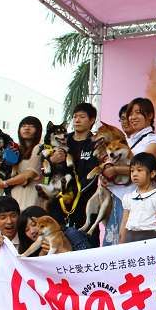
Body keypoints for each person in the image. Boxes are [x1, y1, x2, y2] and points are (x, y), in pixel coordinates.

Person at [104, 98, 156, 246]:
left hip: (138, 200)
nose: (132, 117)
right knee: (112, 244)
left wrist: (115, 170)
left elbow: (144, 166)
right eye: (130, 114)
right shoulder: (127, 140)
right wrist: (105, 174)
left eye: (138, 113)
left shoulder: (154, 139)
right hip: (116, 197)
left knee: (128, 244)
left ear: (150, 115)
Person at [47, 103, 100, 245]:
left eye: (82, 117)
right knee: (56, 244)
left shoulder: (96, 143)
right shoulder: (63, 140)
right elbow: (46, 169)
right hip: (59, 202)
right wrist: (52, 160)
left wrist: (76, 193)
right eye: (75, 117)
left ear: (92, 120)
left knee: (87, 245)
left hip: (86, 203)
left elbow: (93, 174)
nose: (77, 120)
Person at [120, 153, 156, 243]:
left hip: (150, 237)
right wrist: (121, 243)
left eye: (139, 170)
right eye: (132, 171)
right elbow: (124, 222)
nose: (134, 174)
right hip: (130, 237)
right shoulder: (128, 197)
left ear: (152, 173)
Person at [0, 116, 44, 211]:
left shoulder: (39, 148)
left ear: (38, 130)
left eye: (31, 126)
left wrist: (6, 183)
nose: (27, 128)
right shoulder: (15, 149)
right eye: (23, 126)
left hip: (31, 199)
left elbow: (29, 173)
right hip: (13, 200)